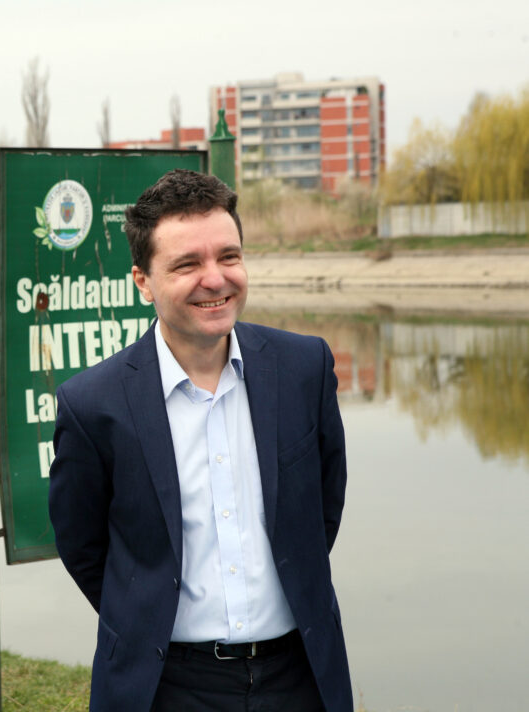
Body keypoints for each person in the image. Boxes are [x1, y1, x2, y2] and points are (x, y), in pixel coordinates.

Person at [48, 170, 350, 712]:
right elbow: (83, 546)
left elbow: (324, 509)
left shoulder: (305, 368)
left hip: (300, 677)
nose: (215, 279)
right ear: (143, 282)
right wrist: (144, 614)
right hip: (165, 686)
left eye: (228, 256)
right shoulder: (92, 404)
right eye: (187, 264)